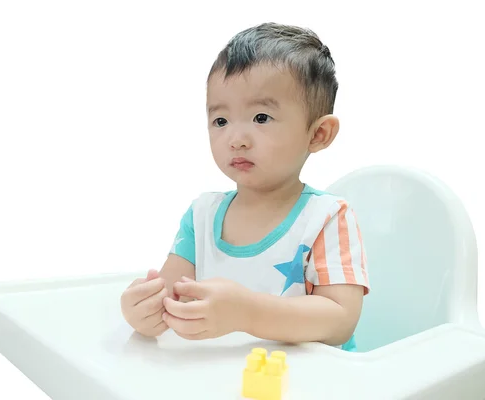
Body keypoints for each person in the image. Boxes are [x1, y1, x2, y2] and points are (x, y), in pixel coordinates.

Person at [120, 22, 370, 351]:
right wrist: (145, 311)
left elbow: (340, 320)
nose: (235, 139)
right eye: (220, 121)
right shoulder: (202, 216)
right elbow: (171, 295)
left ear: (317, 134)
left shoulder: (327, 218)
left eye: (261, 117)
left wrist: (246, 313)